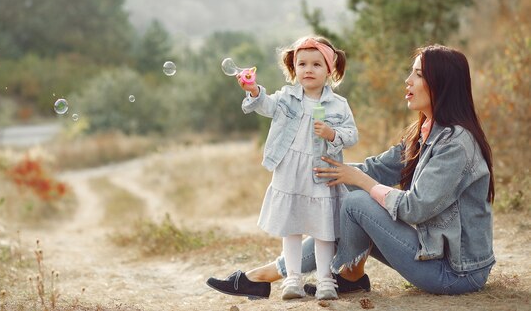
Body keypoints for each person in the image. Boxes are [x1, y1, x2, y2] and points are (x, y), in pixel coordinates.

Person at [206, 44, 495, 298]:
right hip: (431, 252)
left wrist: (358, 180)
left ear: (441, 84)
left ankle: (271, 276)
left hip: (456, 273)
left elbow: (415, 209)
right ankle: (348, 277)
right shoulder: (425, 132)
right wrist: (318, 174)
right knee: (346, 190)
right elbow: (376, 168)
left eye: (418, 75)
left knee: (356, 201)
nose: (407, 81)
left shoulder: (455, 144)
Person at [208, 36, 358, 300]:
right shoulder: (287, 96)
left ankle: (326, 281)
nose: (308, 69)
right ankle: (293, 280)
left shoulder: (338, 104)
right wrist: (254, 90)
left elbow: (352, 135)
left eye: (316, 64)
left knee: (323, 229)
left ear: (330, 70)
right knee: (291, 227)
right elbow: (266, 106)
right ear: (293, 68)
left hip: (320, 172)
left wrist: (333, 134)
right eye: (302, 64)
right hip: (290, 170)